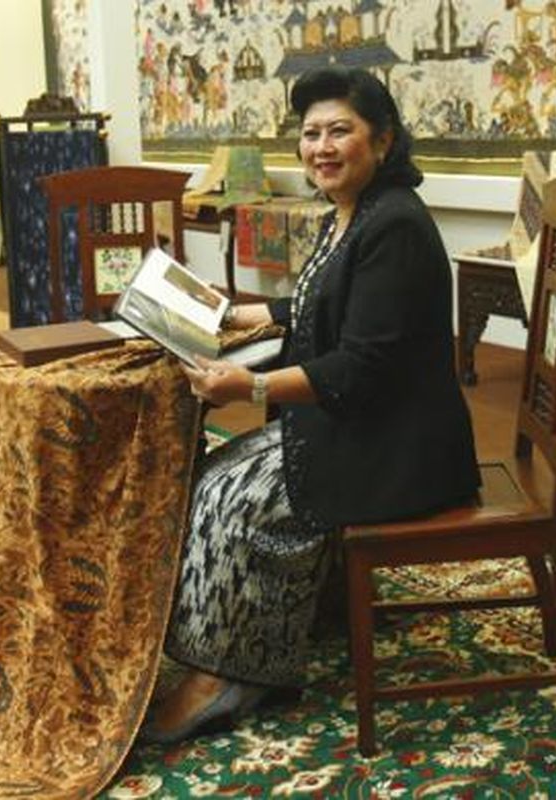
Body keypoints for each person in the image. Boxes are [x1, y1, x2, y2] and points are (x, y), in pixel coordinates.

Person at [142, 66, 481, 743]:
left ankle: (230, 677)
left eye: (340, 131)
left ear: (382, 141)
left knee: (228, 500)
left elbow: (360, 366)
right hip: (362, 427)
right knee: (212, 476)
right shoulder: (350, 214)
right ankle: (274, 630)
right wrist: (242, 314)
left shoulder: (396, 228)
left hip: (398, 449)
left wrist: (250, 387)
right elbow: (322, 305)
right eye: (310, 133)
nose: (321, 147)